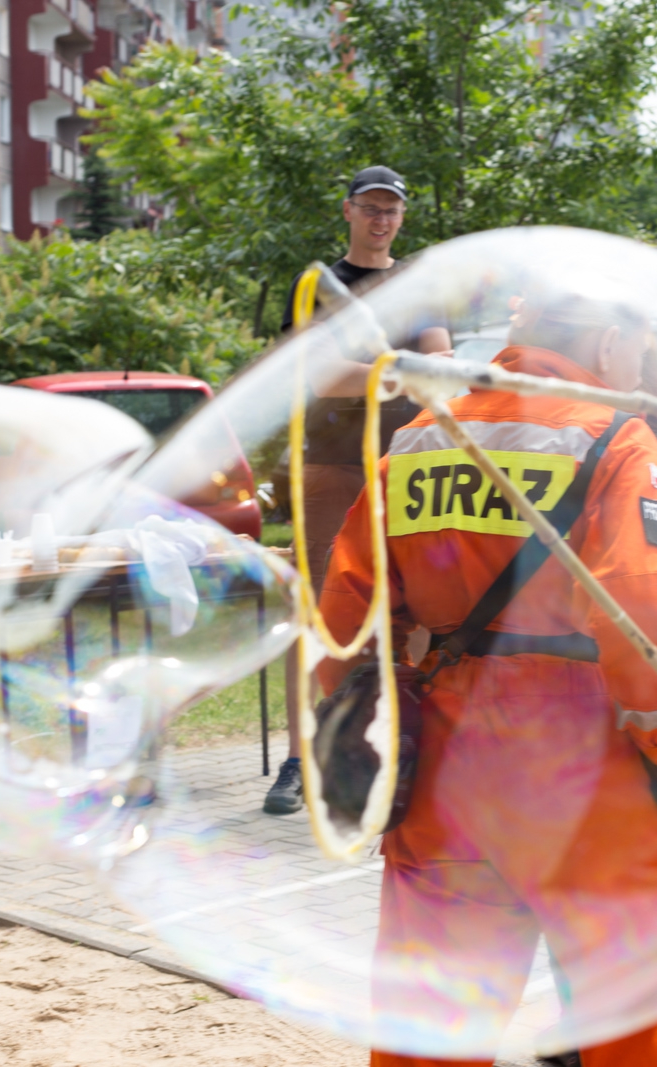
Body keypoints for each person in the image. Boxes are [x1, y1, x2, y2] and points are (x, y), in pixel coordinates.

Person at [319, 294, 657, 1067]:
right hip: (588, 771)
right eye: (641, 348)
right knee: (629, 1010)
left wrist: (362, 724)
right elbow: (650, 619)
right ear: (607, 342)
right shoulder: (618, 438)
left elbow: (345, 614)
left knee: (432, 1021)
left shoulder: (420, 438)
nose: (641, 370)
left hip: (445, 768)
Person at [264, 165, 452, 816]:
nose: (382, 219)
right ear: (347, 211)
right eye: (370, 208)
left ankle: (413, 741)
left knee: (422, 605)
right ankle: (298, 757)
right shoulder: (320, 285)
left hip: (409, 463)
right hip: (333, 463)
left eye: (392, 209)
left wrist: (380, 372)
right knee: (316, 612)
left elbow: (443, 368)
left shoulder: (419, 286)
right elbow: (322, 377)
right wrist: (401, 371)